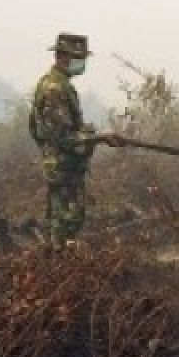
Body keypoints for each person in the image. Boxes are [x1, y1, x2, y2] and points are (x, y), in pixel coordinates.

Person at [29, 33, 122, 248]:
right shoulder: (55, 89)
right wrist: (99, 137)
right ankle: (62, 268)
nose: (83, 63)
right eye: (80, 58)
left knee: (61, 218)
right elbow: (63, 136)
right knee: (67, 220)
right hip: (63, 165)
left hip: (61, 163)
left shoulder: (58, 84)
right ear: (63, 56)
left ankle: (58, 263)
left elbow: (37, 129)